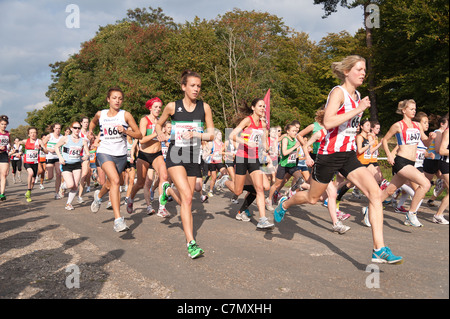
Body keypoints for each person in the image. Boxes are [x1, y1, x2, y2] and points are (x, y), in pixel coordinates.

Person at [274, 55, 403, 264]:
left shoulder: (358, 95)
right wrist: (358, 109)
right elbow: (329, 121)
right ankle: (285, 204)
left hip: (349, 156)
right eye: (359, 69)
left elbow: (350, 127)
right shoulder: (338, 92)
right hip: (329, 155)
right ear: (346, 72)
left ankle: (379, 249)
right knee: (313, 198)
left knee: (374, 193)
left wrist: (359, 111)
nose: (363, 73)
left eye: (364, 70)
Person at [155, 70, 215, 259]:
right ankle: (191, 243)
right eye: (192, 85)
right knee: (188, 197)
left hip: (193, 156)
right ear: (183, 87)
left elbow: (212, 134)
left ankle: (168, 191)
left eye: (198, 86)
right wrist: (160, 134)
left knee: (187, 200)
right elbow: (159, 123)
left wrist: (197, 134)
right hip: (175, 154)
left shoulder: (204, 108)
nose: (196, 89)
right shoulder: (173, 107)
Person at [89, 86, 142, 232]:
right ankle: (118, 220)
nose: (117, 101)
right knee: (116, 181)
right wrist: (90, 133)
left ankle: (98, 197)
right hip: (104, 152)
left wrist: (125, 131)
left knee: (110, 183)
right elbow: (93, 123)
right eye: (114, 98)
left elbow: (139, 134)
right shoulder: (101, 114)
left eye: (120, 98)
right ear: (108, 99)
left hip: (120, 155)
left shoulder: (126, 115)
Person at [374, 100, 434, 227]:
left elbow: (426, 143)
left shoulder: (417, 125)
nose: (414, 111)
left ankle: (369, 210)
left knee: (388, 192)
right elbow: (384, 140)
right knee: (425, 183)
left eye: (415, 109)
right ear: (404, 111)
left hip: (411, 163)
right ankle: (411, 214)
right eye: (411, 109)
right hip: (401, 162)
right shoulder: (398, 125)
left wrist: (431, 138)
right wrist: (389, 154)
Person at [218, 98, 275, 230]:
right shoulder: (248, 120)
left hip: (254, 158)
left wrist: (266, 152)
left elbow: (263, 144)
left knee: (260, 188)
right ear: (253, 107)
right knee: (238, 190)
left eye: (264, 106)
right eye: (260, 106)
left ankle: (262, 220)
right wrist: (245, 142)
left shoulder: (262, 124)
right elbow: (231, 135)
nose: (262, 108)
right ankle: (224, 181)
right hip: (242, 157)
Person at [126, 97, 171, 218]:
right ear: (150, 108)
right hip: (144, 154)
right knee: (140, 183)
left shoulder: (161, 122)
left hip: (157, 154)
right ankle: (130, 199)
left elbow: (164, 136)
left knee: (164, 177)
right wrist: (156, 133)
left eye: (160, 107)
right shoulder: (144, 120)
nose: (158, 109)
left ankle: (162, 207)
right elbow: (142, 139)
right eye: (155, 107)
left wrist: (166, 140)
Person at [55, 121, 89, 210]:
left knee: (75, 186)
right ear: (71, 128)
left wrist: (86, 156)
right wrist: (60, 157)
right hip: (66, 164)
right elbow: (56, 147)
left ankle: (68, 203)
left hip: (77, 164)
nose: (77, 130)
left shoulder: (83, 141)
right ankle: (62, 187)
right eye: (75, 128)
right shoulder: (65, 138)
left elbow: (88, 153)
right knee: (70, 185)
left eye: (78, 128)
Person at [424, 115, 448, 207]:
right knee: (424, 184)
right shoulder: (438, 132)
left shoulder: (443, 133)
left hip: (438, 160)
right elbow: (438, 150)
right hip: (432, 160)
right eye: (447, 123)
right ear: (442, 124)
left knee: (444, 182)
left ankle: (431, 199)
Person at [18, 127, 47, 202]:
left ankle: (29, 192)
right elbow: (18, 142)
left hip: (35, 163)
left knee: (33, 181)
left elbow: (46, 151)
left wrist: (41, 149)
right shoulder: (26, 141)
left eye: (34, 132)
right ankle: (28, 191)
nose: (33, 134)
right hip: (27, 162)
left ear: (37, 134)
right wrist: (18, 151)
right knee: (30, 173)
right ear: (28, 134)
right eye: (31, 133)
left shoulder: (39, 141)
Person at [42, 123, 63, 199]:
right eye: (56, 128)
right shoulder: (49, 136)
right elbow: (42, 144)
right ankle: (47, 173)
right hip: (50, 157)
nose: (58, 130)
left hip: (58, 157)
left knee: (59, 174)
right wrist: (48, 149)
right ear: (53, 128)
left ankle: (57, 192)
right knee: (50, 177)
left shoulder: (62, 137)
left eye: (59, 128)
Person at [434, 128, 449, 224]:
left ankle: (438, 215)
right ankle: (438, 215)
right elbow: (442, 150)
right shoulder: (448, 131)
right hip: (446, 164)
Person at [0, 115, 11, 201]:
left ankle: (2, 193)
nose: (4, 126)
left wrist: (10, 147)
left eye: (5, 124)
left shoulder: (8, 133)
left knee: (4, 174)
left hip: (4, 155)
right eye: (2, 124)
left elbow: (9, 143)